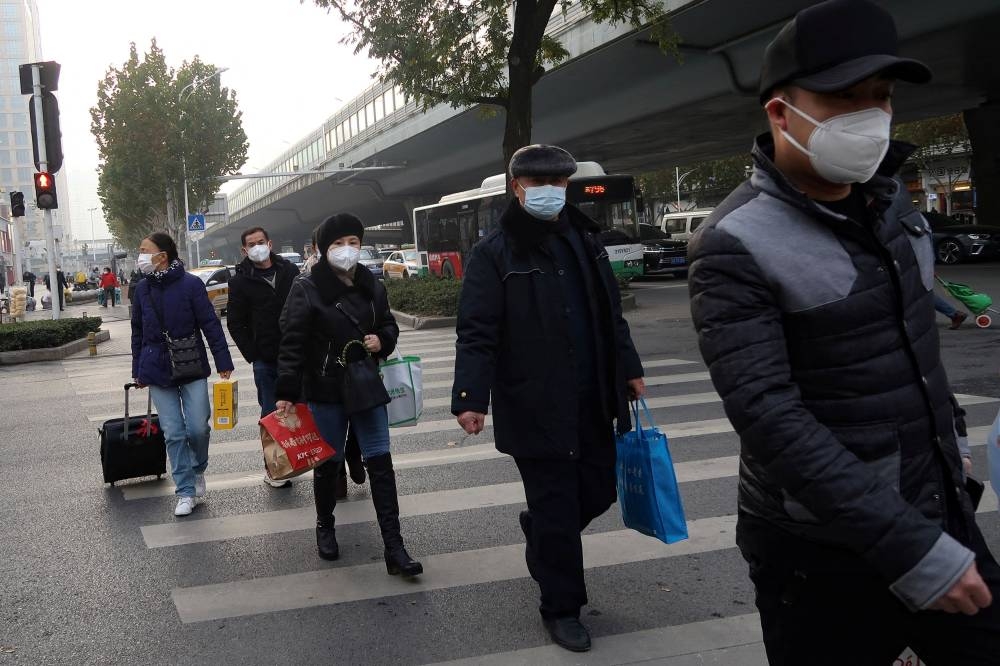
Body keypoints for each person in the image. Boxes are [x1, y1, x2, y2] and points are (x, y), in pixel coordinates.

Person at [687, 1, 1000, 663]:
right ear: (781, 113)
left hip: (936, 510)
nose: (870, 117)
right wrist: (907, 544)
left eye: (881, 98)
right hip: (819, 555)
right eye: (843, 98)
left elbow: (915, 350)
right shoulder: (733, 243)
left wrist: (953, 439)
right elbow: (769, 417)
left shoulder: (893, 208)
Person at [452, 144, 645, 653]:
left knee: (600, 489)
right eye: (539, 185)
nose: (550, 193)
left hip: (593, 395)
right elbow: (476, 331)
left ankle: (539, 531)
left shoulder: (586, 238)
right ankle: (562, 607)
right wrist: (471, 397)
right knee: (559, 507)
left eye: (558, 185)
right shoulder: (494, 252)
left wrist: (630, 369)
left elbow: (611, 314)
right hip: (534, 401)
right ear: (517, 187)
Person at [275, 213, 422, 576]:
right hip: (325, 389)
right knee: (329, 463)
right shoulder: (306, 288)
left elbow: (387, 322)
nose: (347, 250)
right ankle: (325, 525)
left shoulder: (372, 284)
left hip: (366, 384)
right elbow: (291, 342)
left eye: (353, 243)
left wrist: (382, 339)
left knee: (381, 463)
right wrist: (286, 392)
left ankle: (395, 547)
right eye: (338, 244)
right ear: (322, 250)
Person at [130, 232, 234, 517]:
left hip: (191, 362)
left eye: (144, 250)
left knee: (199, 427)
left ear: (162, 256)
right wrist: (138, 370)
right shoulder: (141, 289)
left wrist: (223, 360)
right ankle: (185, 491)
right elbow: (137, 331)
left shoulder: (191, 284)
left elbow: (210, 324)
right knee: (174, 433)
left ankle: (197, 468)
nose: (139, 255)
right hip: (156, 367)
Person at [226, 226, 301, 489]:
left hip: (296, 354)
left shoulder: (290, 271)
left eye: (261, 241)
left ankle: (304, 457)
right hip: (266, 359)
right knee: (271, 413)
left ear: (270, 243)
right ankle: (275, 469)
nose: (257, 247)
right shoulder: (239, 281)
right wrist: (254, 353)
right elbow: (235, 323)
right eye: (251, 244)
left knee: (302, 409)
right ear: (244, 250)